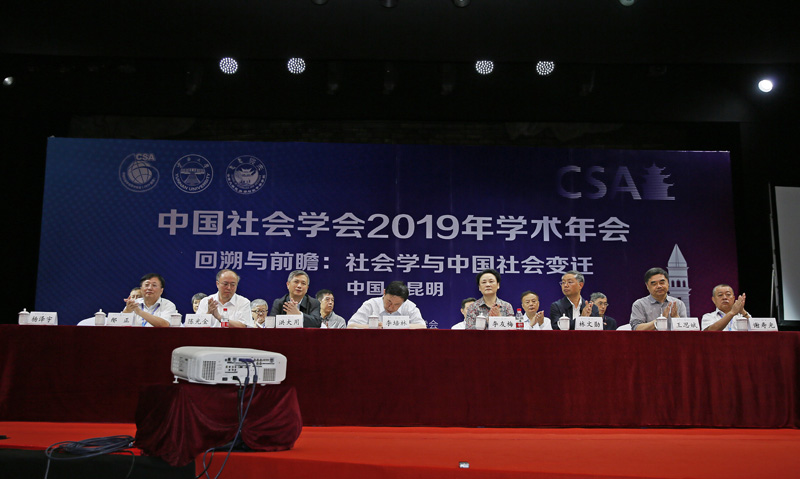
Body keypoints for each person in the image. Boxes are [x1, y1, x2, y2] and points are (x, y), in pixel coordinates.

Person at [348, 281, 426, 329]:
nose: (391, 307)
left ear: (404, 302)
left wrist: (396, 325)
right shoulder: (371, 304)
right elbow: (350, 326)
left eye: (397, 304)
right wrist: (372, 326)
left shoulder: (409, 307)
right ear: (384, 292)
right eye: (389, 301)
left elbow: (422, 327)